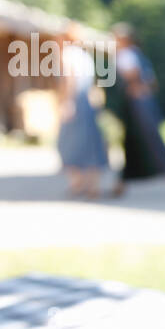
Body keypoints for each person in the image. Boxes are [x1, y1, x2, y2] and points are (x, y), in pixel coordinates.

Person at [107, 23, 165, 197]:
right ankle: (121, 184)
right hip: (144, 102)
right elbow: (151, 81)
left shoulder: (124, 54)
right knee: (135, 143)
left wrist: (134, 88)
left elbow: (132, 75)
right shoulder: (138, 54)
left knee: (148, 140)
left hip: (136, 104)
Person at [55, 24, 109, 199]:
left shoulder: (67, 55)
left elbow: (68, 80)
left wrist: (67, 102)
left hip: (76, 100)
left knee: (69, 143)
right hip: (87, 102)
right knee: (90, 142)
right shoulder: (85, 56)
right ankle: (91, 184)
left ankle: (79, 182)